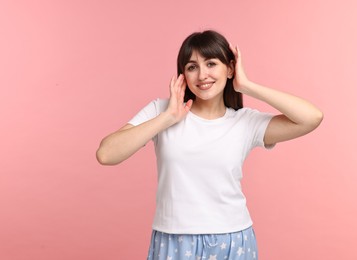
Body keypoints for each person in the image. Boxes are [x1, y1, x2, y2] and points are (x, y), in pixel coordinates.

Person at [96, 30, 323, 260]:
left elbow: (311, 118)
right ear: (183, 74)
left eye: (211, 63)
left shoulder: (245, 122)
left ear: (230, 69)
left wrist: (246, 86)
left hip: (234, 241)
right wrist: (167, 118)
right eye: (192, 66)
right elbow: (106, 154)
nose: (202, 74)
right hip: (174, 239)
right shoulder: (161, 110)